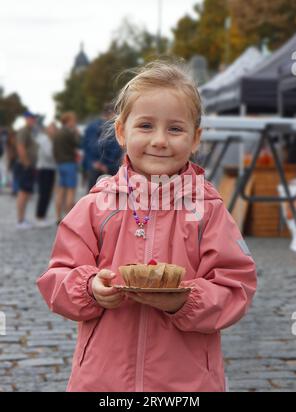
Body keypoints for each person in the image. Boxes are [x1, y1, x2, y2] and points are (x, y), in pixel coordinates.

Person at [37, 60, 257, 392]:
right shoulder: (95, 207)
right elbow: (56, 279)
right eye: (145, 126)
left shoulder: (209, 212)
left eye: (175, 129)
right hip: (103, 382)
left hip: (187, 383)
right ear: (122, 132)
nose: (159, 140)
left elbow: (236, 288)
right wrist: (89, 288)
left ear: (195, 138)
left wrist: (185, 301)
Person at [53, 112, 80, 225]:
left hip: (60, 164)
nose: (75, 123)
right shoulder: (69, 133)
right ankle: (69, 219)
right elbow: (77, 144)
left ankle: (58, 217)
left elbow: (54, 150)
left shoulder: (57, 133)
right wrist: (76, 133)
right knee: (70, 192)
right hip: (69, 164)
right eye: (73, 120)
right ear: (68, 121)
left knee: (60, 192)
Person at [15, 111, 38, 229]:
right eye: (31, 118)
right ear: (26, 119)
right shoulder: (24, 131)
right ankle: (20, 220)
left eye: (34, 118)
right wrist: (26, 163)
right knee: (23, 192)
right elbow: (20, 147)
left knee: (26, 192)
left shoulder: (29, 131)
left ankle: (22, 219)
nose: (33, 120)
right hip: (25, 166)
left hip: (29, 166)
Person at [35, 123, 57, 227]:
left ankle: (42, 216)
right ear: (48, 130)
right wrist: (59, 155)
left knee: (48, 194)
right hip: (44, 169)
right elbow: (49, 154)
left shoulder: (51, 140)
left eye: (55, 129)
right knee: (43, 193)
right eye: (52, 129)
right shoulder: (44, 140)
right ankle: (39, 217)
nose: (54, 131)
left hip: (50, 169)